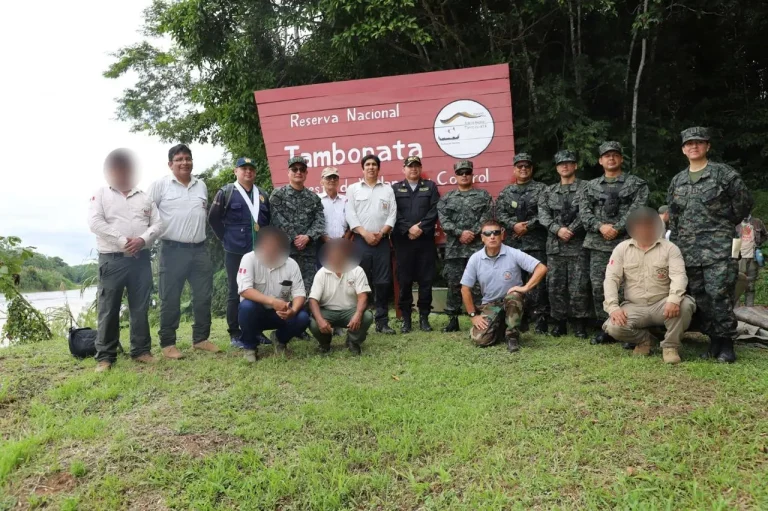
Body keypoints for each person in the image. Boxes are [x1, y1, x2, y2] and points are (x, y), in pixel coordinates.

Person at [668, 127, 753, 362]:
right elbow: (674, 217)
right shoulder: (678, 180)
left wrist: (722, 227)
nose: (694, 146)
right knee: (700, 297)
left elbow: (743, 205)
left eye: (699, 142)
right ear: (684, 149)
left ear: (707, 146)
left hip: (718, 248)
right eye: (689, 144)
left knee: (720, 294)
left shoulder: (724, 175)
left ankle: (727, 344)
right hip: (689, 251)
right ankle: (713, 341)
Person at [88, 149, 163, 372]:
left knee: (140, 306)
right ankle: (105, 357)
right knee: (108, 308)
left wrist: (142, 239)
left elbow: (158, 224)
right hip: (112, 260)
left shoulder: (144, 196)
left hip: (140, 259)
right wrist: (123, 241)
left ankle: (141, 350)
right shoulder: (101, 194)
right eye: (117, 168)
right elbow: (95, 223)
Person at [148, 144, 219, 359]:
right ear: (170, 164)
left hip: (199, 250)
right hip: (172, 250)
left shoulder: (201, 186)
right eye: (179, 159)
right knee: (170, 298)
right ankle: (168, 343)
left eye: (187, 158)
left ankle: (201, 339)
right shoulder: (160, 186)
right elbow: (147, 214)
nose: (184, 162)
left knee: (203, 296)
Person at [602, 207, 696, 364]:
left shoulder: (670, 248)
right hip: (635, 306)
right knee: (613, 327)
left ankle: (670, 346)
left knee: (685, 304)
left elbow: (679, 276)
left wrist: (673, 299)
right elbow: (611, 279)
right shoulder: (622, 249)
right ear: (633, 228)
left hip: (662, 304)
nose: (644, 229)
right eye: (639, 225)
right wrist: (613, 307)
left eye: (648, 225)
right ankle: (645, 341)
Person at [578, 141, 649, 345]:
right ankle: (607, 328)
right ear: (600, 160)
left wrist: (617, 227)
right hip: (598, 244)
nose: (611, 158)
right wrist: (601, 227)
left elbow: (637, 209)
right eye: (607, 155)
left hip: (628, 243)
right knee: (600, 286)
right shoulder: (589, 186)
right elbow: (584, 213)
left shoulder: (636, 184)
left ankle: (628, 328)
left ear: (621, 159)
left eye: (615, 155)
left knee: (629, 286)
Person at [208, 157, 271, 348]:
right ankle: (235, 332)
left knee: (258, 290)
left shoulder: (262, 194)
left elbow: (267, 222)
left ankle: (256, 330)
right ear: (236, 171)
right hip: (235, 251)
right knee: (235, 292)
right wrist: (226, 239)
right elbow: (213, 219)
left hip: (258, 252)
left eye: (251, 169)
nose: (248, 172)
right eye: (243, 168)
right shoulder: (226, 192)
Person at [460, 220, 547, 353]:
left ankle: (512, 336)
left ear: (502, 235)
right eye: (487, 234)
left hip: (512, 302)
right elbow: (465, 289)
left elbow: (541, 268)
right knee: (480, 340)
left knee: (514, 296)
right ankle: (501, 326)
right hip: (491, 305)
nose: (492, 236)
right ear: (482, 238)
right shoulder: (475, 258)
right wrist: (473, 316)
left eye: (496, 232)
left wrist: (525, 288)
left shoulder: (513, 253)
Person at [236, 227, 311, 362]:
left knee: (303, 317)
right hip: (256, 312)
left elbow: (300, 293)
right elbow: (244, 290)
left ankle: (280, 339)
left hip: (281, 313)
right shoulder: (249, 259)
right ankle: (250, 347)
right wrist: (272, 301)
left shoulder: (291, 264)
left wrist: (292, 311)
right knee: (246, 307)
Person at [537, 150, 590, 338]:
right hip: (555, 246)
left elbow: (588, 212)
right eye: (561, 164)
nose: (565, 166)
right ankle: (559, 322)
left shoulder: (586, 188)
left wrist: (572, 229)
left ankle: (579, 323)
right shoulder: (548, 191)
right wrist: (557, 229)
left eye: (569, 163)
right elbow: (542, 214)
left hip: (578, 245)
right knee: (555, 286)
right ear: (557, 168)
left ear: (575, 165)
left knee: (579, 286)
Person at [496, 152, 550, 334]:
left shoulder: (542, 189)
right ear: (514, 169)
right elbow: (500, 215)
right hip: (514, 244)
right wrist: (513, 225)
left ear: (531, 169)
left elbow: (545, 213)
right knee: (514, 280)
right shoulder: (506, 192)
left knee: (538, 282)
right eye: (520, 166)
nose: (523, 169)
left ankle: (540, 317)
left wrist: (528, 225)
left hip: (535, 242)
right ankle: (521, 317)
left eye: (527, 166)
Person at [437, 160, 494, 333]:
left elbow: (487, 216)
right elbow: (444, 220)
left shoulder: (483, 196)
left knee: (479, 284)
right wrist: (460, 233)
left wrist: (474, 232)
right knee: (454, 284)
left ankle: (480, 316)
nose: (464, 175)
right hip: (455, 249)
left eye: (467, 172)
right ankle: (452, 319)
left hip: (477, 248)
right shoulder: (447, 198)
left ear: (472, 174)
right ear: (455, 176)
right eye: (461, 173)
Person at [345, 154, 398, 334]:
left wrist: (381, 233)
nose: (371, 167)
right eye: (367, 164)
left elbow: (392, 214)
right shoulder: (353, 189)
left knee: (383, 282)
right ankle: (361, 319)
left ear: (378, 168)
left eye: (374, 164)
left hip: (382, 241)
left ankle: (382, 322)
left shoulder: (388, 190)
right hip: (361, 241)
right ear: (362, 168)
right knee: (361, 281)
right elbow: (351, 214)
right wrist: (365, 234)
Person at [391, 156, 440, 333]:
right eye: (410, 166)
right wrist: (408, 229)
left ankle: (424, 318)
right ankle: (406, 319)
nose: (413, 169)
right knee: (404, 280)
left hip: (425, 240)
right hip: (404, 242)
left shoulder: (430, 186)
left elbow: (435, 210)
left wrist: (420, 228)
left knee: (426, 280)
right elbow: (392, 213)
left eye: (416, 166)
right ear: (403, 169)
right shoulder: (395, 189)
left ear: (420, 169)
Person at [270, 156, 326, 295]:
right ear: (288, 172)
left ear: (306, 173)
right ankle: (283, 316)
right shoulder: (278, 195)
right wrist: (295, 238)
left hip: (308, 253)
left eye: (302, 169)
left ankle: (304, 316)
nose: (298, 172)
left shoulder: (314, 198)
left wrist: (308, 237)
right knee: (284, 290)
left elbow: (320, 221)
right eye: (294, 169)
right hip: (285, 252)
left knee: (307, 290)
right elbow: (276, 219)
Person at [308, 239, 374, 355]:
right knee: (314, 323)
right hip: (327, 311)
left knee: (367, 316)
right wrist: (320, 320)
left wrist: (358, 314)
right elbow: (313, 300)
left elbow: (363, 297)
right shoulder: (322, 273)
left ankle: (353, 341)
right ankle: (325, 343)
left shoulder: (357, 270)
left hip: (350, 311)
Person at [735, 215, 767, 307]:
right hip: (739, 258)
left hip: (753, 258)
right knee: (737, 284)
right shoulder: (735, 223)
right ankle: (736, 311)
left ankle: (749, 309)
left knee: (751, 286)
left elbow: (765, 235)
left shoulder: (757, 222)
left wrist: (758, 244)